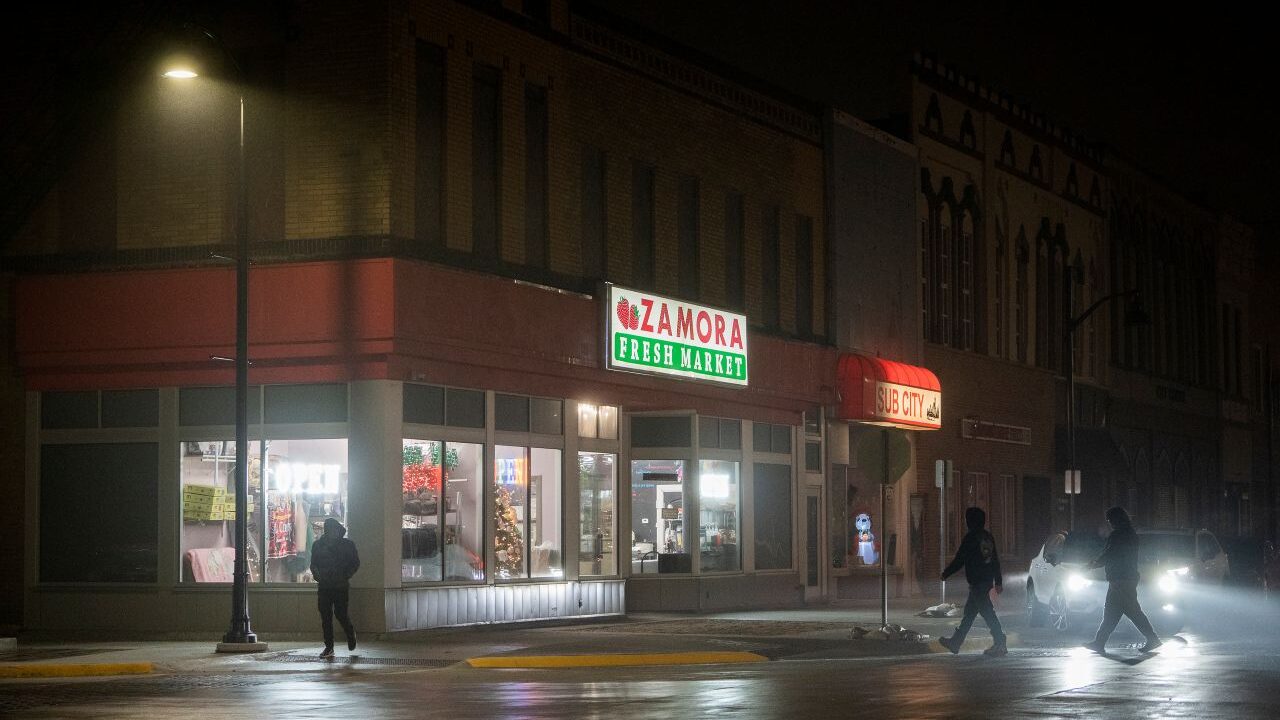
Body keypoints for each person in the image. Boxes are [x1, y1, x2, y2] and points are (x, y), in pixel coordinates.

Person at [1083, 506, 1162, 653]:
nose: (1109, 522)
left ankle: (1152, 639)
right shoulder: (1131, 534)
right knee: (1112, 612)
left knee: (1131, 611)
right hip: (1126, 578)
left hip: (1120, 579)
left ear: (1115, 519)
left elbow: (1110, 555)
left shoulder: (1118, 535)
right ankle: (1099, 642)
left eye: (1109, 520)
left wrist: (1092, 565)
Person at [938, 507, 1007, 657]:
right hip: (985, 581)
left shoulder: (971, 537)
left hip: (977, 583)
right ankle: (956, 642)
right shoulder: (987, 537)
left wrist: (946, 573)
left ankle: (1000, 642)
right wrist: (998, 581)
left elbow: (960, 559)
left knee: (988, 613)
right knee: (969, 613)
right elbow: (995, 560)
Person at [309, 517, 360, 657]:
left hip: (340, 586)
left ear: (338, 530)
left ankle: (350, 633)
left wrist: (345, 575)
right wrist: (318, 576)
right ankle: (329, 647)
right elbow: (313, 564)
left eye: (335, 530)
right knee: (326, 617)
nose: (333, 533)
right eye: (330, 530)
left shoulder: (347, 545)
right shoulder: (318, 545)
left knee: (340, 614)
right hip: (324, 586)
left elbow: (355, 563)